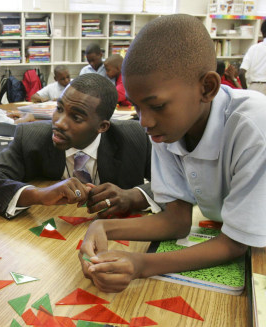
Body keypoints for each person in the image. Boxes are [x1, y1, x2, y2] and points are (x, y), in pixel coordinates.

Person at [80, 14, 266, 293]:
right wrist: (104, 228)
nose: (144, 121)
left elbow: (236, 242)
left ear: (207, 88)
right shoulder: (166, 126)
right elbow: (177, 220)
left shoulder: (253, 125)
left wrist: (141, 264)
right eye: (137, 107)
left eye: (156, 105)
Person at [0, 73, 160, 220]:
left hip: (116, 235)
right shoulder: (30, 137)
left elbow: (175, 183)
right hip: (48, 236)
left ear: (102, 127)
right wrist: (40, 194)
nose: (59, 123)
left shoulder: (135, 137)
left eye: (76, 118)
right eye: (59, 109)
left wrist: (133, 197)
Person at [240, 20, 266, 95]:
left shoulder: (254, 48)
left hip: (254, 88)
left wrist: (246, 91)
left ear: (262, 33)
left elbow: (241, 73)